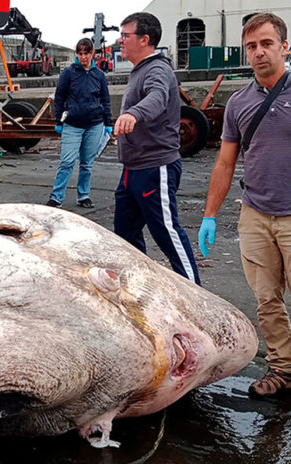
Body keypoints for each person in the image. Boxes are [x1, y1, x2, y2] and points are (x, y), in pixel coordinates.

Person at [198, 13, 291, 398]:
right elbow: (225, 162)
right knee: (267, 299)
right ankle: (283, 369)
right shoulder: (238, 103)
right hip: (254, 212)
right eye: (251, 46)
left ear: (285, 47)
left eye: (266, 43)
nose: (258, 52)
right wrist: (209, 215)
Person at [112, 12, 199, 285]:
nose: (120, 41)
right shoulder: (140, 70)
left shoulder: (158, 70)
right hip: (133, 168)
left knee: (166, 232)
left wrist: (133, 114)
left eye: (125, 35)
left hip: (154, 166)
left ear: (145, 39)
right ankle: (139, 287)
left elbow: (157, 97)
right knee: (125, 234)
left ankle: (196, 294)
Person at [48, 38, 112, 209]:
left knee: (87, 163)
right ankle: (56, 196)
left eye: (86, 53)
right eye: (80, 53)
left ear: (92, 53)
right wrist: (58, 120)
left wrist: (108, 123)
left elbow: (105, 100)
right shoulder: (69, 73)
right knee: (67, 161)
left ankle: (83, 195)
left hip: (95, 124)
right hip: (73, 124)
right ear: (77, 54)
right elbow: (60, 97)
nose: (83, 57)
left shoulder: (99, 76)